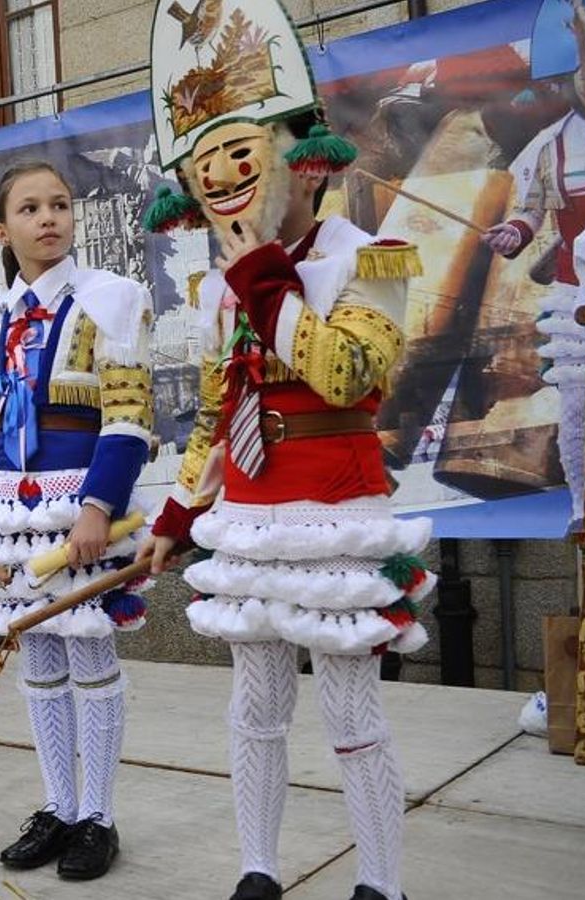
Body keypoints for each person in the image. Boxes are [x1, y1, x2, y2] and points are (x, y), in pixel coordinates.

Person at [139, 2, 431, 897]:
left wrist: (263, 274)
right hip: (251, 520)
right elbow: (217, 417)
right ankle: (258, 869)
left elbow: (347, 375)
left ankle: (381, 880)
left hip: (337, 515)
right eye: (207, 164)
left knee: (350, 710)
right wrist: (178, 514)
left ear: (305, 162)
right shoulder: (225, 286)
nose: (223, 177)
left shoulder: (373, 256)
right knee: (256, 705)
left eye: (242, 154)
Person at [0, 161, 154, 880]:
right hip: (8, 510)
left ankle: (98, 815)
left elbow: (128, 418)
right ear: (4, 231)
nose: (50, 218)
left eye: (60, 204)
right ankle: (58, 806)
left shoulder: (113, 300)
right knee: (36, 657)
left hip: (79, 504)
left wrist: (99, 507)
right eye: (31, 208)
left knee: (91, 655)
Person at [481, 0, 585, 526]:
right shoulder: (552, 144)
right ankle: (584, 505)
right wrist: (515, 231)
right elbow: (531, 209)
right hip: (579, 292)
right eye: (584, 69)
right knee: (579, 405)